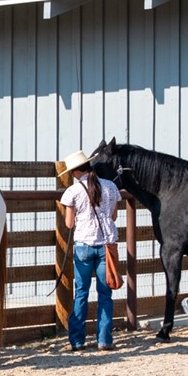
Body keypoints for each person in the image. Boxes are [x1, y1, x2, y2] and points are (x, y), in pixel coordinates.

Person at [58, 150, 120, 350]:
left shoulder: (73, 191)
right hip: (107, 245)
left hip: (84, 245)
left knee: (82, 292)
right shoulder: (110, 186)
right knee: (105, 293)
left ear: (75, 172)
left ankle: (77, 340)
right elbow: (113, 216)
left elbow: (68, 223)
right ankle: (104, 340)